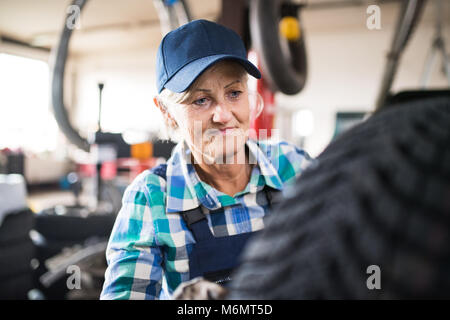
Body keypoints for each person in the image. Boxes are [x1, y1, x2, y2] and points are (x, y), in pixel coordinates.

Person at [100, 19, 313, 300]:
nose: (223, 115)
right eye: (201, 100)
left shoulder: (293, 167)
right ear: (166, 112)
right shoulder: (151, 199)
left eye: (234, 93)